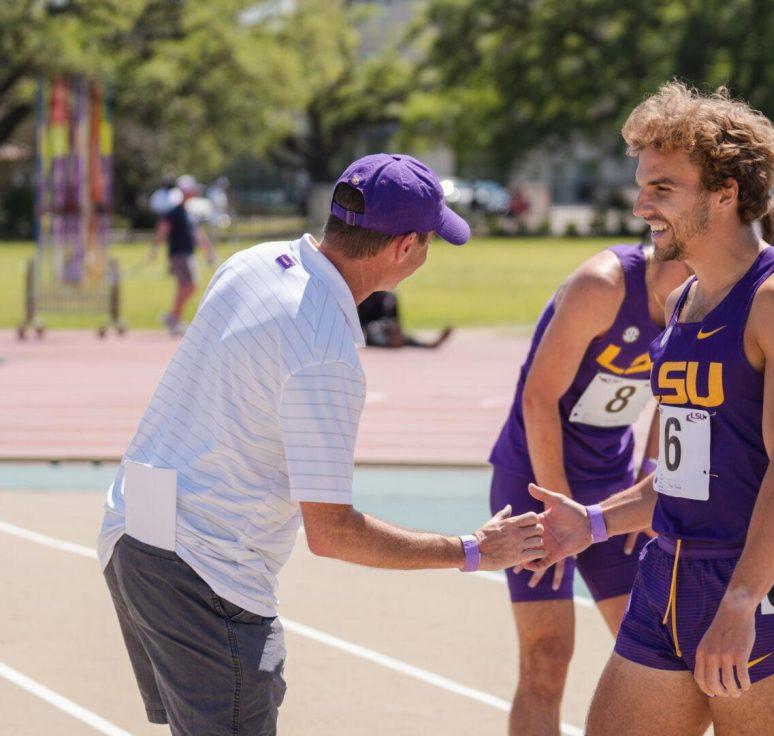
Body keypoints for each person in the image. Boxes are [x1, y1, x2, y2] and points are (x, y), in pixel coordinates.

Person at [98, 153, 545, 735]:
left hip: (134, 532)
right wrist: (471, 550)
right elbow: (332, 533)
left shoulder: (252, 264)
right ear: (404, 248)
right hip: (208, 574)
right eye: (431, 240)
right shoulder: (326, 354)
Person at [526, 83, 774, 736]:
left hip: (750, 584)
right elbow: (684, 472)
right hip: (664, 572)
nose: (642, 205)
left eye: (663, 188)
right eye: (644, 186)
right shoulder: (684, 302)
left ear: (725, 192)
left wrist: (742, 600)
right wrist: (592, 522)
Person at [488, 242, 690, 734]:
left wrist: (648, 473)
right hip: (535, 482)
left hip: (611, 486)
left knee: (657, 656)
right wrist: (560, 513)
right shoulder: (603, 285)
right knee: (546, 657)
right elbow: (538, 398)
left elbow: (676, 392)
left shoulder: (703, 298)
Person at [151, 175, 217, 335]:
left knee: (185, 286)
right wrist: (154, 249)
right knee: (190, 285)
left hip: (186, 253)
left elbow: (197, 234)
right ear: (185, 191)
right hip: (179, 254)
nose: (195, 192)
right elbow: (162, 230)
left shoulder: (188, 212)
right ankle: (174, 318)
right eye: (192, 189)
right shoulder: (174, 212)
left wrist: (209, 251)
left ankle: (174, 318)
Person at [357, 289, 453, 348]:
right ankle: (391, 342)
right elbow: (362, 321)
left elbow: (395, 319)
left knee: (404, 336)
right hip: (371, 329)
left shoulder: (390, 297)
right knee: (375, 333)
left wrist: (394, 328)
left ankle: (429, 345)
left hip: (389, 329)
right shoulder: (364, 296)